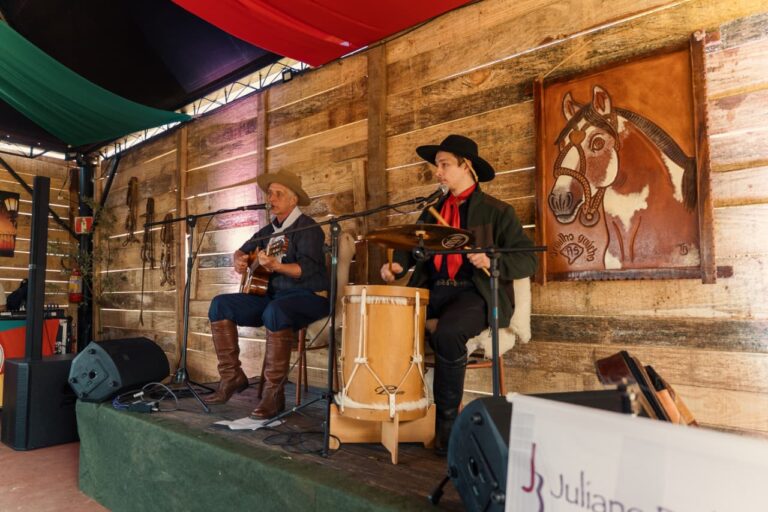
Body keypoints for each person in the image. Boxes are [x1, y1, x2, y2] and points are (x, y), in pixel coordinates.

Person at [380, 134, 537, 455]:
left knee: (450, 333)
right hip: (433, 292)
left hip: (473, 295)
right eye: (437, 165)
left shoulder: (497, 212)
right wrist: (397, 266)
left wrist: (493, 259)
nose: (437, 171)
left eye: (444, 164)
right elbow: (411, 249)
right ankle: (398, 412)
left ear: (466, 166)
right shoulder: (431, 211)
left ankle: (447, 424)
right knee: (386, 323)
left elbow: (528, 258)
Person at [206, 169, 329, 419]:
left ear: (293, 199)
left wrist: (277, 266)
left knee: (276, 310)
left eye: (277, 193)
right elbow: (241, 251)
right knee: (220, 305)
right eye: (270, 193)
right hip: (272, 298)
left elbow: (305, 270)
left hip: (310, 297)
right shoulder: (267, 230)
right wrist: (239, 260)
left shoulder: (309, 229)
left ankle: (274, 395)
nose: (270, 198)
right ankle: (232, 376)